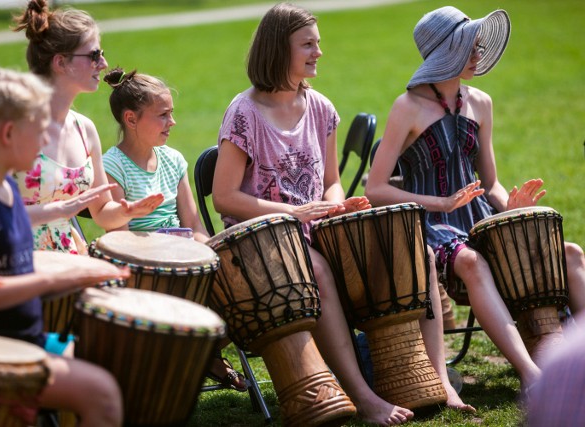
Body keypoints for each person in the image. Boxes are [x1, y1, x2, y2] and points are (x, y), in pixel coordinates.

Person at [212, 4, 472, 425]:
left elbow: (331, 180)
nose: (318, 53)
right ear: (279, 49)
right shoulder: (244, 113)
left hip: (316, 226)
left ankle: (437, 379)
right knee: (317, 272)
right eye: (308, 45)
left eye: (319, 43)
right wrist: (295, 212)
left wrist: (336, 204)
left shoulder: (321, 107)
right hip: (263, 240)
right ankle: (364, 397)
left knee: (415, 252)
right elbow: (224, 197)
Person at [364, 6, 585, 396]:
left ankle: (575, 357)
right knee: (470, 259)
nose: (478, 51)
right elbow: (376, 188)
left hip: (479, 220)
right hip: (432, 227)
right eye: (470, 45)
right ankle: (534, 376)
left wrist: (512, 209)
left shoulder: (481, 102)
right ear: (446, 52)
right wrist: (441, 202)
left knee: (568, 252)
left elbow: (492, 183)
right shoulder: (407, 107)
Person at [0, 67, 127, 426]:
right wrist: (54, 281)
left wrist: (78, 268)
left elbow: (8, 265)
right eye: (39, 128)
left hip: (22, 339)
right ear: (8, 133)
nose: (46, 138)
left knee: (115, 362)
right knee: (101, 393)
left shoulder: (7, 189)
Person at [101, 67, 246, 391]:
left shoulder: (174, 160)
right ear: (131, 119)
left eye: (172, 113)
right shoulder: (112, 165)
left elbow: (193, 224)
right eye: (163, 115)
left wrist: (210, 253)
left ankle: (203, 353)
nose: (173, 122)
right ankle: (193, 357)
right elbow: (119, 236)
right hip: (142, 265)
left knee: (243, 288)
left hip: (182, 258)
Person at [9, 0, 164, 255]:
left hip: (70, 262)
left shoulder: (84, 129)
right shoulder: (15, 126)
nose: (103, 64)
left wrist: (126, 211)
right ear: (60, 63)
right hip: (19, 260)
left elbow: (102, 212)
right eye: (94, 55)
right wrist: (58, 211)